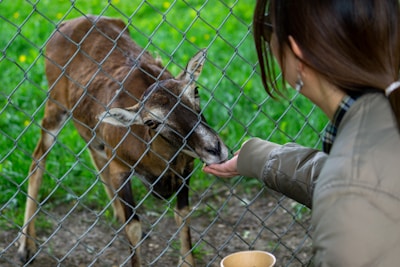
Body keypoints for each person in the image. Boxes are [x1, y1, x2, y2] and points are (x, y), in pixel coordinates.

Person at [203, 0, 400, 266]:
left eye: (269, 30)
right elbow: (364, 181)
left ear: (298, 53)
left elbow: (354, 189)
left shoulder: (351, 195)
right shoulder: (381, 119)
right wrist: (261, 158)